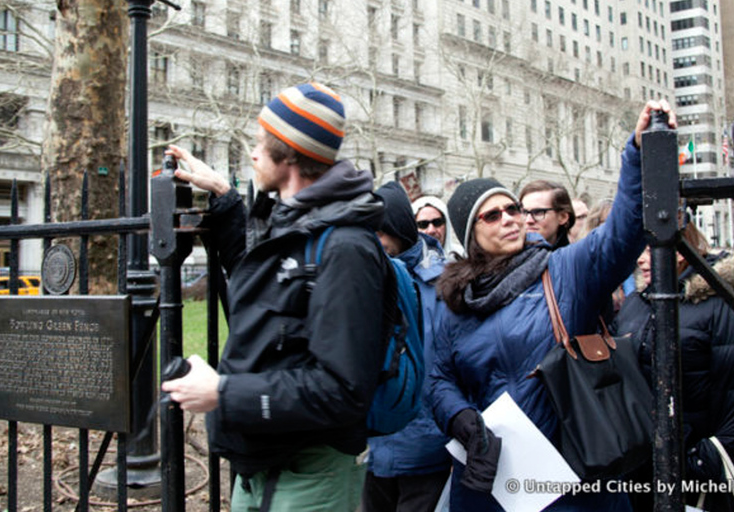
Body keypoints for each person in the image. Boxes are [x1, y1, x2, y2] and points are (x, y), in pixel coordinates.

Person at [428, 100, 676, 511]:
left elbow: (623, 234)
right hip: (491, 479)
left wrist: (637, 153)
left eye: (513, 208)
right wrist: (460, 419)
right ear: (471, 234)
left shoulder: (563, 270)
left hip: (573, 475)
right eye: (492, 215)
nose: (510, 218)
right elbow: (437, 378)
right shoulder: (455, 297)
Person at [161, 82, 393, 512]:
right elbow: (260, 282)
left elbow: (343, 390)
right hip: (259, 468)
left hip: (310, 475)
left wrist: (223, 393)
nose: (251, 153)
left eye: (259, 144)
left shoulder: (346, 247)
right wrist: (225, 197)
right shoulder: (293, 224)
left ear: (287, 154)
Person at [612, 221, 734, 512]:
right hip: (646, 466)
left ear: (680, 248)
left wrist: (700, 459)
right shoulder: (637, 302)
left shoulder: (718, 302)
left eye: (647, 249)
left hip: (696, 472)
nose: (641, 259)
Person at [363, 181, 451, 512]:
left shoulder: (443, 285)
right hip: (372, 447)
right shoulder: (367, 273)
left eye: (377, 230)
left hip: (425, 448)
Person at [519, 180, 575, 249]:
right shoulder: (506, 255)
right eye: (524, 212)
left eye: (538, 212)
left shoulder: (572, 258)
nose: (528, 220)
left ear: (563, 217)